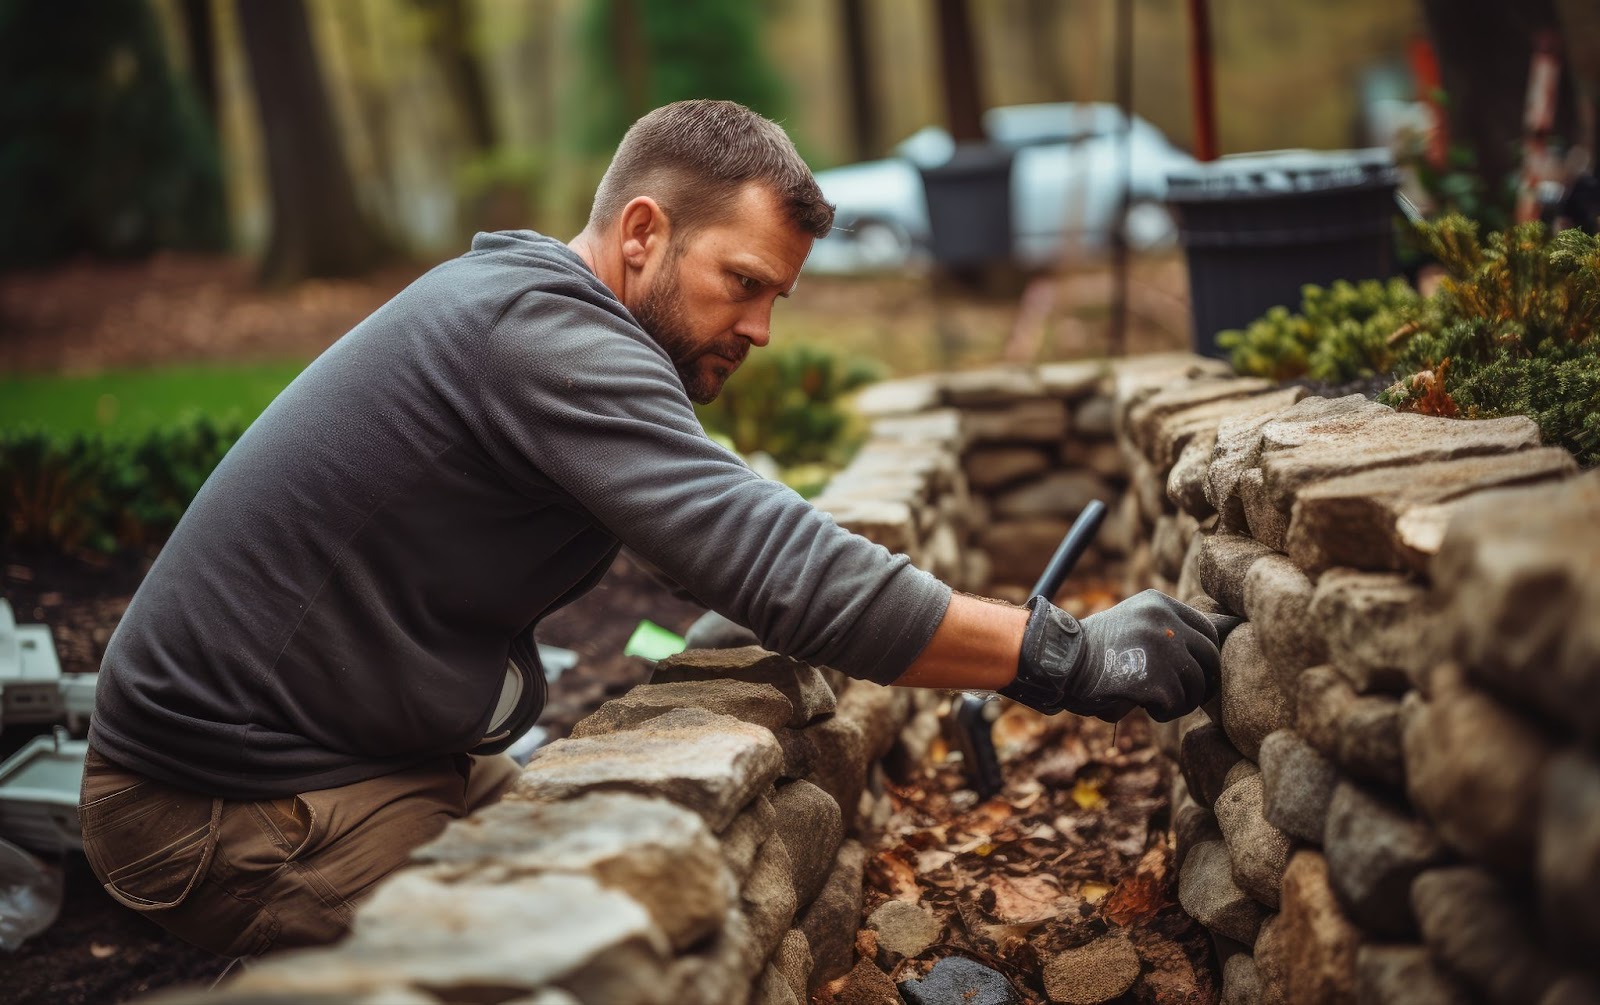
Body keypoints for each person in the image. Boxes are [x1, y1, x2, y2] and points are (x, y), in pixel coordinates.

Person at [80, 99, 1225, 959]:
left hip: (361, 759)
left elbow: (730, 531)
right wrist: (1067, 655)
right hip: (219, 802)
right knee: (552, 955)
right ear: (640, 233)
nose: (763, 328)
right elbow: (775, 562)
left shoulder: (546, 325)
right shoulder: (540, 336)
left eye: (778, 296)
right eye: (743, 282)